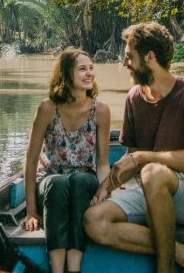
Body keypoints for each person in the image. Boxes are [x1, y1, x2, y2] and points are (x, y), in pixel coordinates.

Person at [83, 22, 184, 273]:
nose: (125, 64)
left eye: (129, 57)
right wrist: (106, 187)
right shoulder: (134, 97)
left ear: (150, 57)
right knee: (94, 220)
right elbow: (131, 156)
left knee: (151, 172)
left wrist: (142, 158)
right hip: (150, 190)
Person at [21, 48, 111, 273]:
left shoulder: (100, 110)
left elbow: (101, 163)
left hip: (85, 180)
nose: (89, 73)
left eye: (91, 68)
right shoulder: (47, 108)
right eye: (82, 69)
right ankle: (57, 269)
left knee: (80, 180)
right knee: (58, 182)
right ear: (66, 74)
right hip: (51, 181)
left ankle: (74, 268)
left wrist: (106, 194)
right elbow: (31, 162)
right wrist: (31, 211)